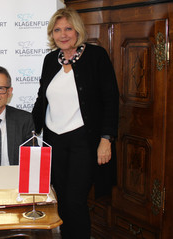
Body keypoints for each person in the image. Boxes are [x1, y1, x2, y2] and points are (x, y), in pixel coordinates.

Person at [32, 7, 119, 239]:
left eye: (68, 28)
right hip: (54, 141)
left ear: (77, 30)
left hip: (83, 141)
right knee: (61, 199)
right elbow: (42, 98)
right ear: (52, 34)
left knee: (75, 200)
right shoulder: (50, 60)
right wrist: (30, 129)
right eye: (57, 30)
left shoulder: (96, 56)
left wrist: (106, 139)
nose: (63, 34)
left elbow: (110, 100)